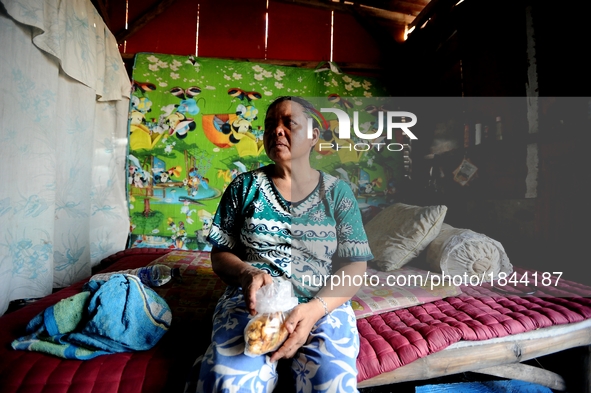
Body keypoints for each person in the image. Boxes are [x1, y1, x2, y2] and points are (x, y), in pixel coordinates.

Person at [197, 96, 373, 392]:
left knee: (330, 380)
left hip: (320, 302)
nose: (277, 131)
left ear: (314, 136)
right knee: (229, 380)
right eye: (270, 126)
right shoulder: (244, 187)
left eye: (289, 123)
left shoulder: (338, 193)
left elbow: (354, 265)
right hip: (253, 303)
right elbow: (221, 252)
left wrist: (314, 311)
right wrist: (245, 273)